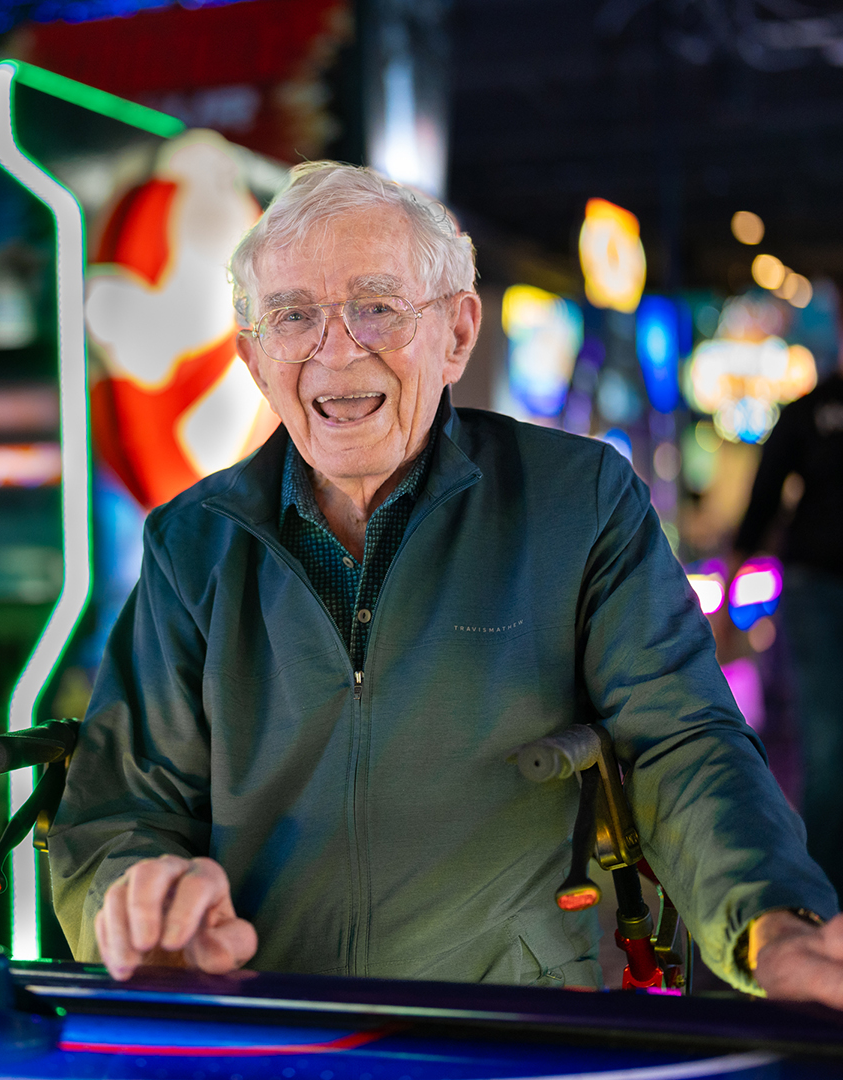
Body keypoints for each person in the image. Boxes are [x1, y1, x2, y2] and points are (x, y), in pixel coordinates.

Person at [47, 162, 843, 1004]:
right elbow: (122, 810)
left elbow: (678, 742)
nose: (335, 351)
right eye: (293, 317)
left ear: (457, 334)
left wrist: (772, 925)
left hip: (509, 1031)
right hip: (277, 1026)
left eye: (377, 308)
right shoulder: (191, 543)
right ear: (253, 357)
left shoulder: (578, 501)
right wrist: (135, 909)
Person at [734, 363, 843, 895]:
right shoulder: (812, 409)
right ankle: (826, 897)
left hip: (811, 583)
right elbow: (763, 499)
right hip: (816, 585)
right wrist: (724, 600)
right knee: (828, 748)